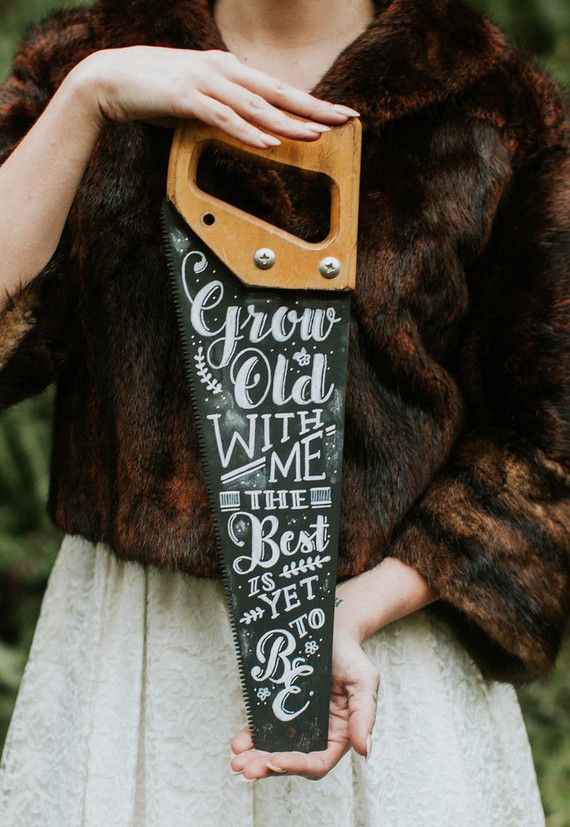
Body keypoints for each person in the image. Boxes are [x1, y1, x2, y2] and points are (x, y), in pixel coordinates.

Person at [0, 0, 567, 823]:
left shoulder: (491, 100)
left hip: (384, 652)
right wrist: (88, 97)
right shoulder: (86, 61)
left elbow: (549, 435)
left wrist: (362, 606)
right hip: (142, 649)